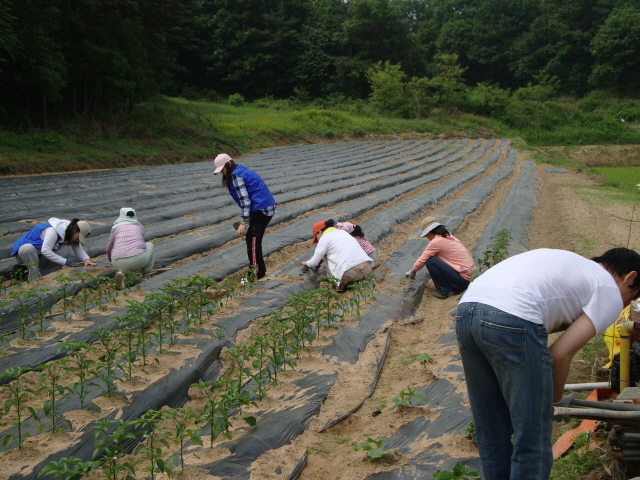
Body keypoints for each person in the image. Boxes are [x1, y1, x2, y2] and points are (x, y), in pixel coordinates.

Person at [456, 248, 640, 480]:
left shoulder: (576, 267)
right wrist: (554, 401)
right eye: (632, 296)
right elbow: (560, 354)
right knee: (531, 434)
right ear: (630, 277)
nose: (625, 303)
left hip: (467, 310)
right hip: (511, 316)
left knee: (492, 426)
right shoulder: (608, 290)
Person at [214, 153, 277, 280]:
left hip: (261, 209)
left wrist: (243, 222)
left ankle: (255, 276)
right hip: (264, 208)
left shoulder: (236, 176)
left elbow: (245, 201)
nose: (223, 173)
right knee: (253, 241)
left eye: (223, 169)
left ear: (229, 164)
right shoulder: (241, 170)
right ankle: (259, 272)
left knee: (253, 243)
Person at [405, 216, 475, 299]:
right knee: (434, 258)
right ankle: (449, 288)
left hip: (463, 281)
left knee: (430, 261)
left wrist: (412, 271)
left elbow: (421, 260)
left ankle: (445, 291)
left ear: (429, 233)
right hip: (471, 278)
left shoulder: (436, 242)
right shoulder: (449, 237)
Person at [11, 217, 95, 282]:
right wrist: (66, 262)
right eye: (79, 237)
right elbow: (45, 250)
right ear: (75, 230)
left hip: (40, 257)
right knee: (27, 248)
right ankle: (34, 280)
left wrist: (86, 259)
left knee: (65, 250)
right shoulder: (53, 230)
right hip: (25, 257)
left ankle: (41, 276)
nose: (78, 240)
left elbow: (78, 249)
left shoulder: (69, 232)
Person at [301, 219, 373, 292]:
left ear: (319, 232)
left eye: (317, 237)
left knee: (326, 257)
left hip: (350, 274)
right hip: (367, 269)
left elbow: (314, 263)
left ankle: (337, 284)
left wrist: (306, 263)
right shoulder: (343, 232)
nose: (318, 240)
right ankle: (355, 280)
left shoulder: (324, 238)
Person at [106, 208, 155, 291]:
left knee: (119, 248)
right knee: (149, 245)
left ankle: (123, 277)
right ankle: (146, 276)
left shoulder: (115, 228)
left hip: (117, 262)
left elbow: (109, 247)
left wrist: (111, 259)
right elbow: (142, 245)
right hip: (137, 260)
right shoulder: (139, 227)